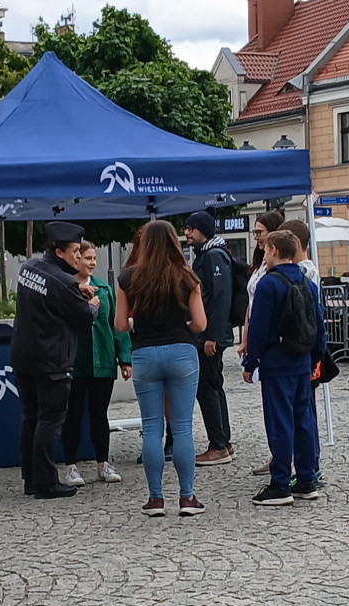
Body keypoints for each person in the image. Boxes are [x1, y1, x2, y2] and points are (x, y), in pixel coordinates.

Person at [116, 220, 207, 517]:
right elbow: (200, 324)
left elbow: (120, 325)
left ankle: (155, 500)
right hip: (181, 352)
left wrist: (137, 322)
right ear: (173, 242)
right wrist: (181, 328)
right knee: (181, 427)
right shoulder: (187, 277)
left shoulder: (128, 278)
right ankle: (187, 497)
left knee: (152, 427)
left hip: (144, 354)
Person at [11, 221, 99, 500]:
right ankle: (46, 482)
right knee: (50, 420)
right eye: (75, 252)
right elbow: (83, 318)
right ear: (59, 252)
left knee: (31, 416)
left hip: (24, 356)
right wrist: (92, 306)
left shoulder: (29, 267)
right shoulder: (65, 283)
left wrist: (75, 291)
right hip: (52, 361)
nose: (78, 256)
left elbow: (52, 294)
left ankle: (30, 478)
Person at [241, 229, 326, 506]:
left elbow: (259, 328)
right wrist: (315, 357)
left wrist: (250, 362)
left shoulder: (268, 284)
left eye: (266, 249)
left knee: (279, 422)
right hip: (302, 361)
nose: (264, 254)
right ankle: (306, 479)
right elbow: (318, 324)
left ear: (275, 250)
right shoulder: (307, 281)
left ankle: (280, 484)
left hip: (277, 362)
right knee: (303, 421)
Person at [62, 240, 132, 486]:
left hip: (103, 360)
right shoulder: (67, 288)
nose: (92, 262)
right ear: (76, 259)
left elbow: (116, 324)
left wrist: (124, 358)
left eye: (94, 258)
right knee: (73, 413)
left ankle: (103, 463)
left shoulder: (104, 288)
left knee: (99, 414)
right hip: (75, 361)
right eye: (87, 258)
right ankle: (70, 466)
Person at [184, 211, 234, 466]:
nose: (187, 232)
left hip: (210, 336)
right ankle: (223, 441)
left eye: (191, 228)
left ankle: (218, 446)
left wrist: (211, 336)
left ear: (203, 230)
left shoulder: (213, 255)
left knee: (207, 389)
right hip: (208, 334)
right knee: (214, 386)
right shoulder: (206, 254)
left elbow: (220, 298)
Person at [238, 211, 285, 477]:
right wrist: (246, 337)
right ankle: (277, 454)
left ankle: (284, 458)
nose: (256, 237)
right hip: (258, 336)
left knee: (279, 405)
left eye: (260, 232)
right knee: (269, 405)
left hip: (273, 343)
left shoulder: (276, 267)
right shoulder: (259, 265)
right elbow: (251, 305)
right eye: (255, 232)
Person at [279, 219, 324, 484]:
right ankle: (308, 462)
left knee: (306, 410)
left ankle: (309, 463)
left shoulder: (304, 272)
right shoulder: (307, 270)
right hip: (308, 345)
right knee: (306, 408)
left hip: (302, 346)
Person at [127, 225, 173, 462]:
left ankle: (163, 442)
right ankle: (165, 442)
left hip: (144, 342)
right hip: (166, 341)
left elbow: (120, 322)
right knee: (161, 402)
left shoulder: (130, 274)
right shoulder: (177, 272)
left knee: (158, 402)